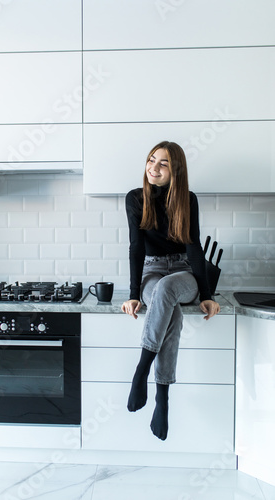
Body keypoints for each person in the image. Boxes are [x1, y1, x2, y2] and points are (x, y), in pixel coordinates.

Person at [121, 140, 220, 441]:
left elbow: (193, 247)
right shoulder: (135, 198)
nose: (154, 167)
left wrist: (207, 295)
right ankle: (161, 397)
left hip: (183, 273)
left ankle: (142, 369)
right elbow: (136, 247)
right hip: (151, 271)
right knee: (169, 308)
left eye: (163, 163)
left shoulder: (187, 199)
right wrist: (134, 293)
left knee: (168, 288)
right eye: (151, 160)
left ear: (175, 169)